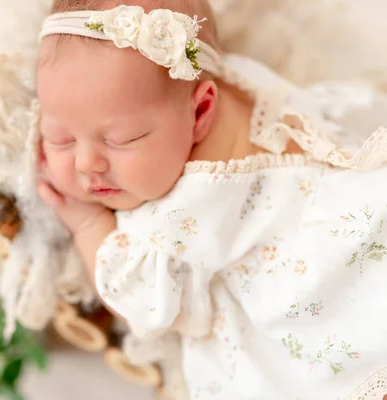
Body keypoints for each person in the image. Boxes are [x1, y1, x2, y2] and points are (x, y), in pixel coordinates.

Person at [35, 0, 387, 398]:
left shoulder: (182, 209)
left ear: (201, 110)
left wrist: (87, 224)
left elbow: (147, 304)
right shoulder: (239, 83)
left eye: (121, 140)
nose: (86, 164)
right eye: (60, 137)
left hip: (322, 299)